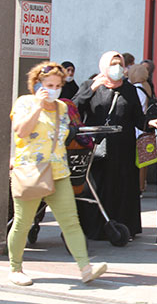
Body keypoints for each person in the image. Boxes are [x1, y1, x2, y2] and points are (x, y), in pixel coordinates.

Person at [8, 62, 107, 286]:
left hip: (59, 171)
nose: (53, 89)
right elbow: (21, 131)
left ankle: (85, 268)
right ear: (37, 85)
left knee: (70, 221)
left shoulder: (62, 108)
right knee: (23, 222)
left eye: (57, 85)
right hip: (31, 171)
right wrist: (38, 106)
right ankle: (15, 268)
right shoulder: (25, 102)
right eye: (48, 85)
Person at [73, 52, 157, 240]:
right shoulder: (91, 86)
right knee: (99, 187)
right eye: (112, 64)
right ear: (104, 66)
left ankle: (123, 227)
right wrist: (91, 89)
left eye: (119, 64)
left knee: (123, 188)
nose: (117, 68)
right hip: (98, 148)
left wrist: (150, 123)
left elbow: (138, 118)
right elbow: (72, 108)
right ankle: (97, 228)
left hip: (124, 149)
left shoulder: (129, 90)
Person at [127, 63, 153, 193]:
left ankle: (138, 186)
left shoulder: (136, 88)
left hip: (137, 129)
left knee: (137, 162)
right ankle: (142, 184)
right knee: (144, 161)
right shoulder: (146, 86)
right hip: (144, 128)